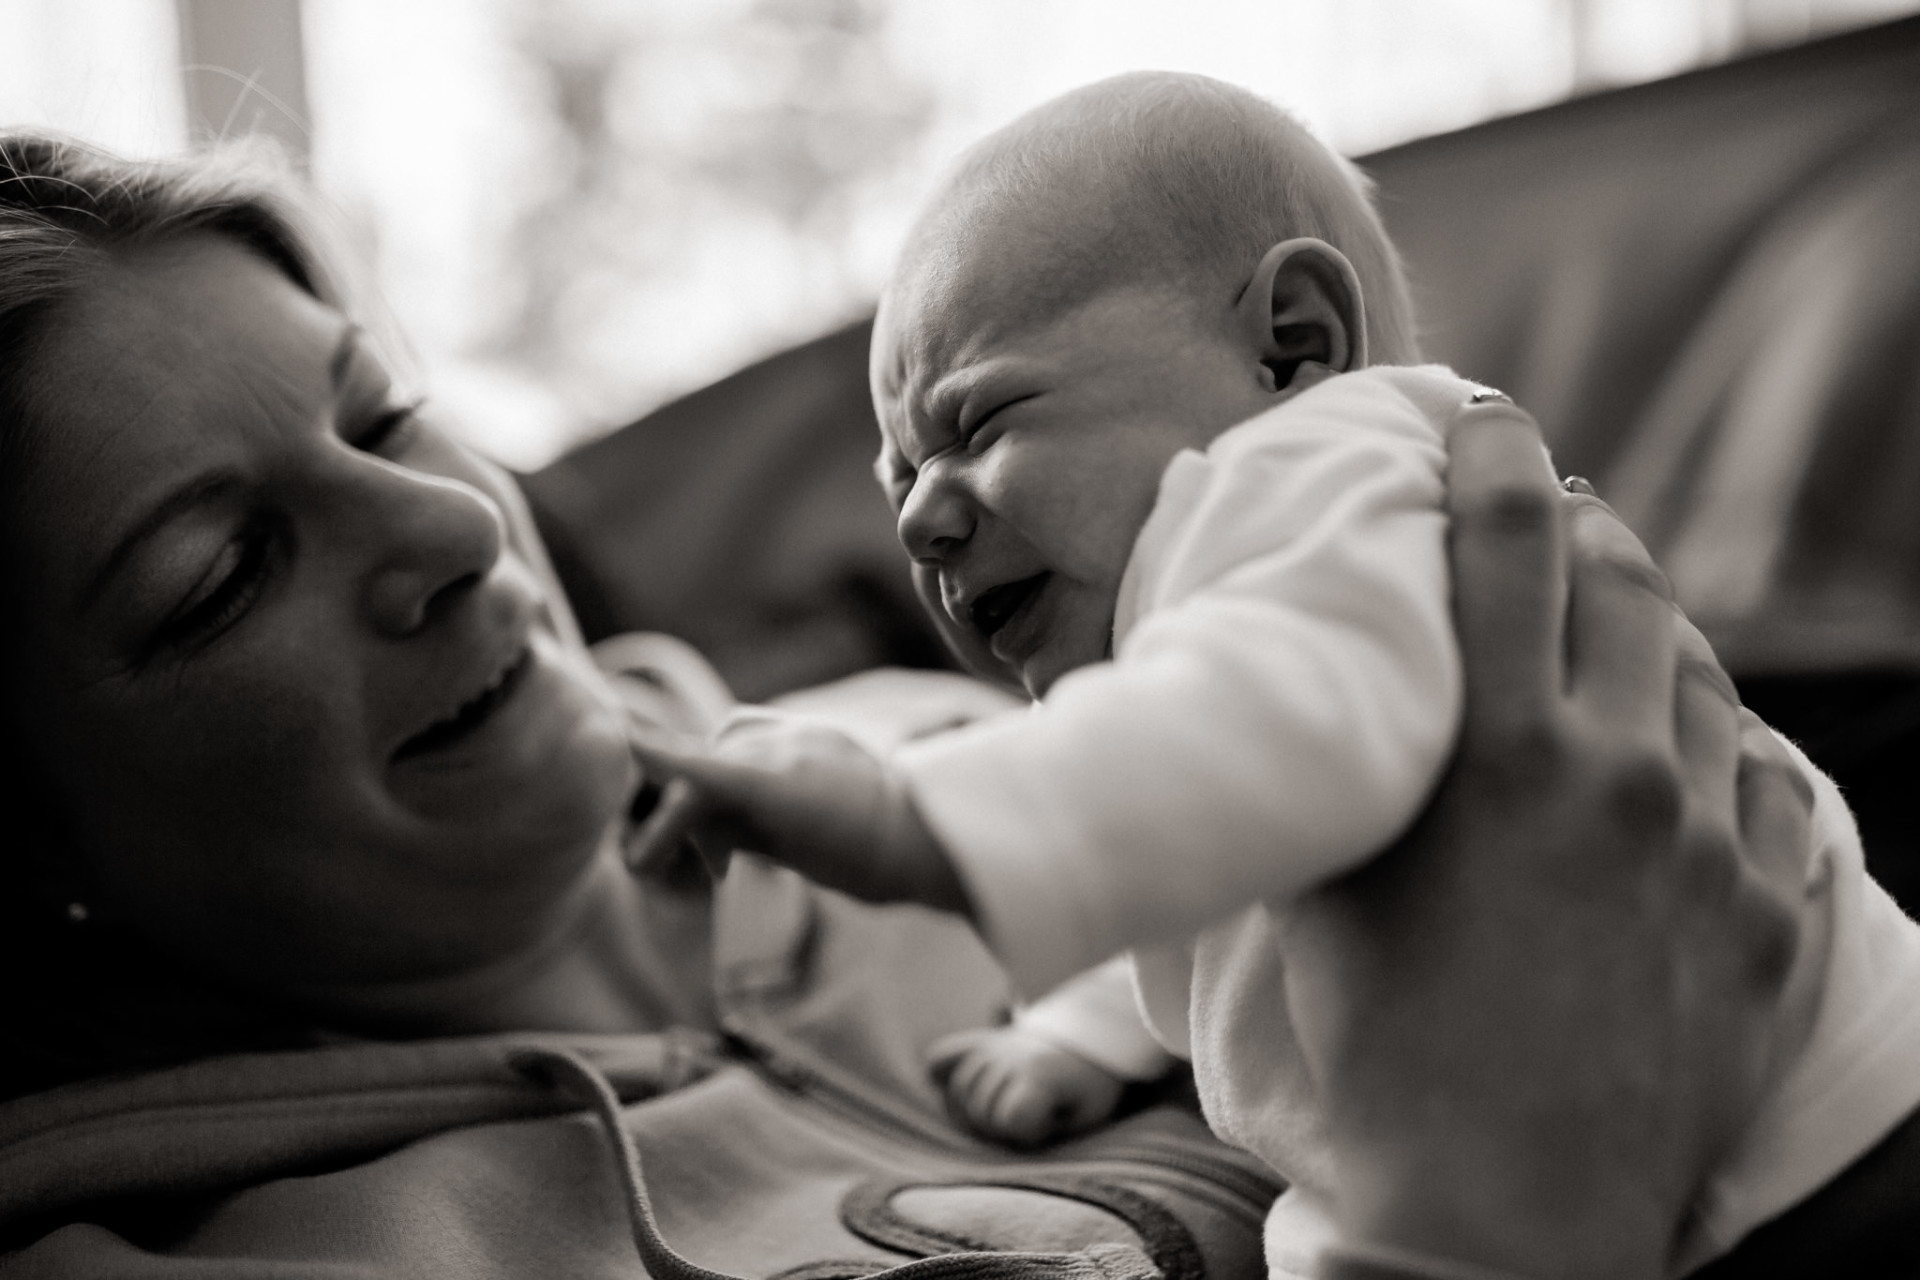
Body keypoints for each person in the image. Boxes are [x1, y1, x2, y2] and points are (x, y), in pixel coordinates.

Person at [0, 128, 1879, 1278]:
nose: (442, 522)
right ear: (36, 829)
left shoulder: (974, 729)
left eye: (383, 411)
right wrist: (1497, 1217)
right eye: (220, 577)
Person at [623, 72, 1920, 1275]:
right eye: (900, 479)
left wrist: (903, 816)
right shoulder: (1235, 643)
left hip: (1823, 1157)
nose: (921, 522)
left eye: (979, 424)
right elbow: (1235, 843)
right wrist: (1083, 1031)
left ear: (1290, 349)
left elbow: (1258, 742)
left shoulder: (1306, 467)